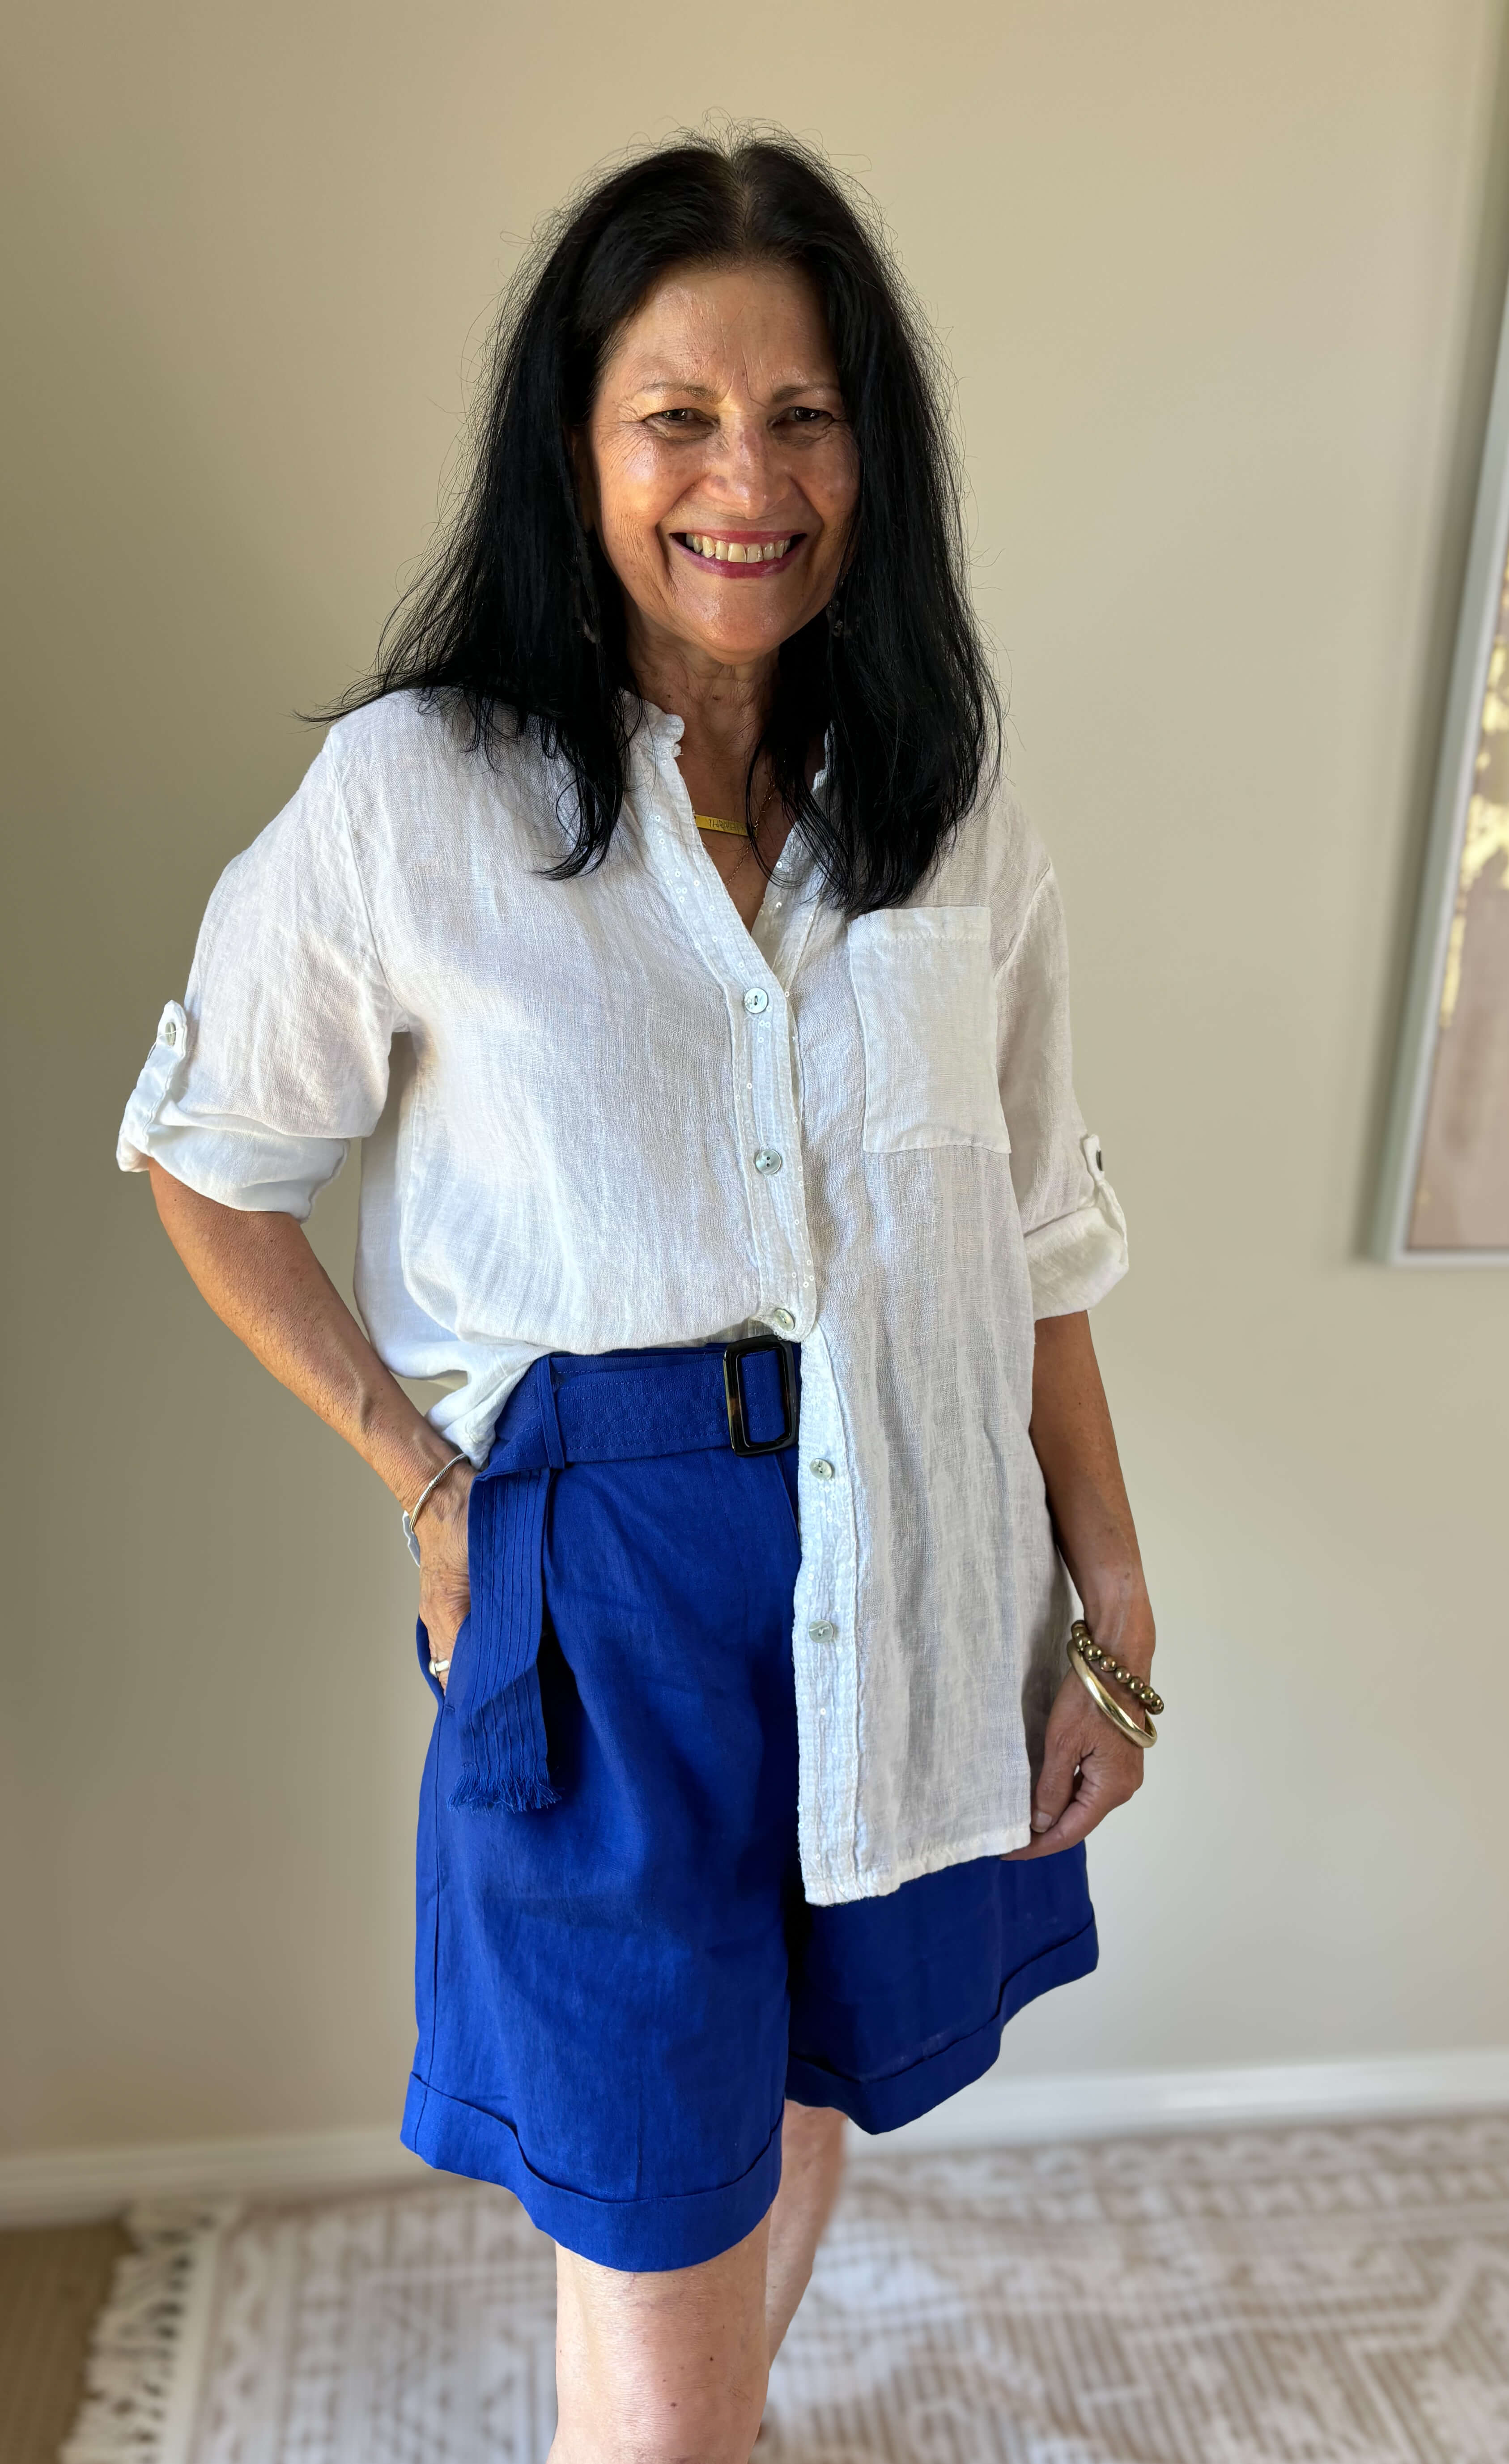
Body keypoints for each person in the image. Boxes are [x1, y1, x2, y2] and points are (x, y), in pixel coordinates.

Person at [117, 131, 1157, 2464]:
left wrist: (1105, 1584)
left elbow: (1033, 1227)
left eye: (801, 416)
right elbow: (211, 1162)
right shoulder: (421, 793)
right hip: (601, 1569)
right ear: (577, 444)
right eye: (676, 415)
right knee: (652, 2291)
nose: (745, 479)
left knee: (806, 2073)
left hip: (922, 1516)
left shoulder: (948, 794)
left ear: (871, 452)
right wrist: (424, 1478)